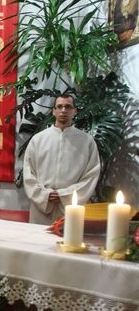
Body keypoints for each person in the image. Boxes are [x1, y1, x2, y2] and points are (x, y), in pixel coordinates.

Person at [23, 94, 100, 225]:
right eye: (59, 106)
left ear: (74, 111)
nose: (63, 110)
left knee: (71, 238)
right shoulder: (38, 140)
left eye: (68, 107)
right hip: (42, 207)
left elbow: (91, 175)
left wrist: (65, 195)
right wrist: (44, 195)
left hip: (72, 208)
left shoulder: (87, 141)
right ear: (54, 111)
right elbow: (28, 173)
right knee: (37, 238)